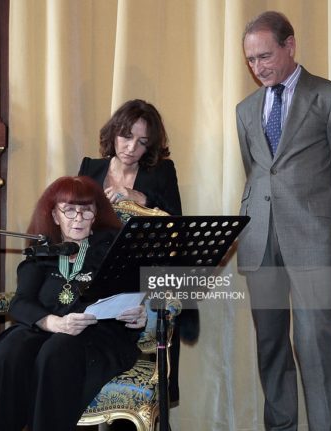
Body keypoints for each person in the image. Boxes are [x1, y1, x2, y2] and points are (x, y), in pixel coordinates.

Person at [236, 11, 331, 431]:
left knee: (315, 342)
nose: (258, 67)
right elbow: (256, 170)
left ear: (290, 46)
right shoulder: (245, 108)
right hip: (257, 240)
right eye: (251, 60)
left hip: (310, 239)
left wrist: (313, 216)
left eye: (265, 56)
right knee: (271, 344)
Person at [0, 176, 147, 431]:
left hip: (97, 337)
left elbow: (129, 299)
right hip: (47, 329)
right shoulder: (41, 254)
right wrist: (53, 322)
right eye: (69, 210)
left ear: (96, 215)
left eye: (86, 211)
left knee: (57, 351)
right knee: (12, 350)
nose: (78, 219)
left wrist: (137, 317)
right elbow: (20, 303)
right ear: (55, 216)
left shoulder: (112, 252)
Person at [78, 98, 198, 407]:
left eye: (142, 142)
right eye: (126, 136)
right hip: (98, 278)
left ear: (151, 146)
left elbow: (177, 230)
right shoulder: (90, 168)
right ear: (113, 133)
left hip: (146, 280)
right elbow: (71, 223)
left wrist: (141, 200)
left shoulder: (161, 172)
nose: (131, 147)